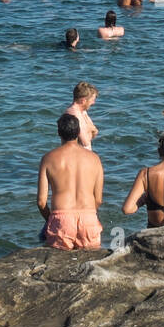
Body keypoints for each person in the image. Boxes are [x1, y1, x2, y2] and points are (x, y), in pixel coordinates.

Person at [37, 113, 105, 249]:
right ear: (79, 132)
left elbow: (41, 202)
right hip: (88, 218)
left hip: (61, 218)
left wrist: (50, 220)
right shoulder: (95, 159)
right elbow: (98, 200)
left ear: (58, 133)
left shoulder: (48, 158)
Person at [66, 82, 100, 149]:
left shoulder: (83, 111)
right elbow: (85, 142)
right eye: (92, 100)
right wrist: (91, 129)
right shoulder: (74, 114)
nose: (93, 103)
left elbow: (95, 131)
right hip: (78, 156)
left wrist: (90, 130)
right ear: (83, 101)